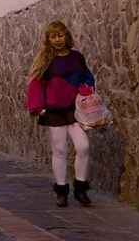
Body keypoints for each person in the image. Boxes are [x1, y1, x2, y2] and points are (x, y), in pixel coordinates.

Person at [27, 20, 95, 208]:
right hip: (53, 111)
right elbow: (35, 83)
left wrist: (87, 89)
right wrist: (38, 108)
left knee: (83, 146)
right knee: (60, 151)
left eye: (60, 35)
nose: (57, 39)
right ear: (48, 39)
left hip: (75, 110)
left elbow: (87, 77)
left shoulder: (77, 57)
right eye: (53, 36)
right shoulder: (45, 60)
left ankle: (81, 187)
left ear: (66, 36)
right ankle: (61, 190)